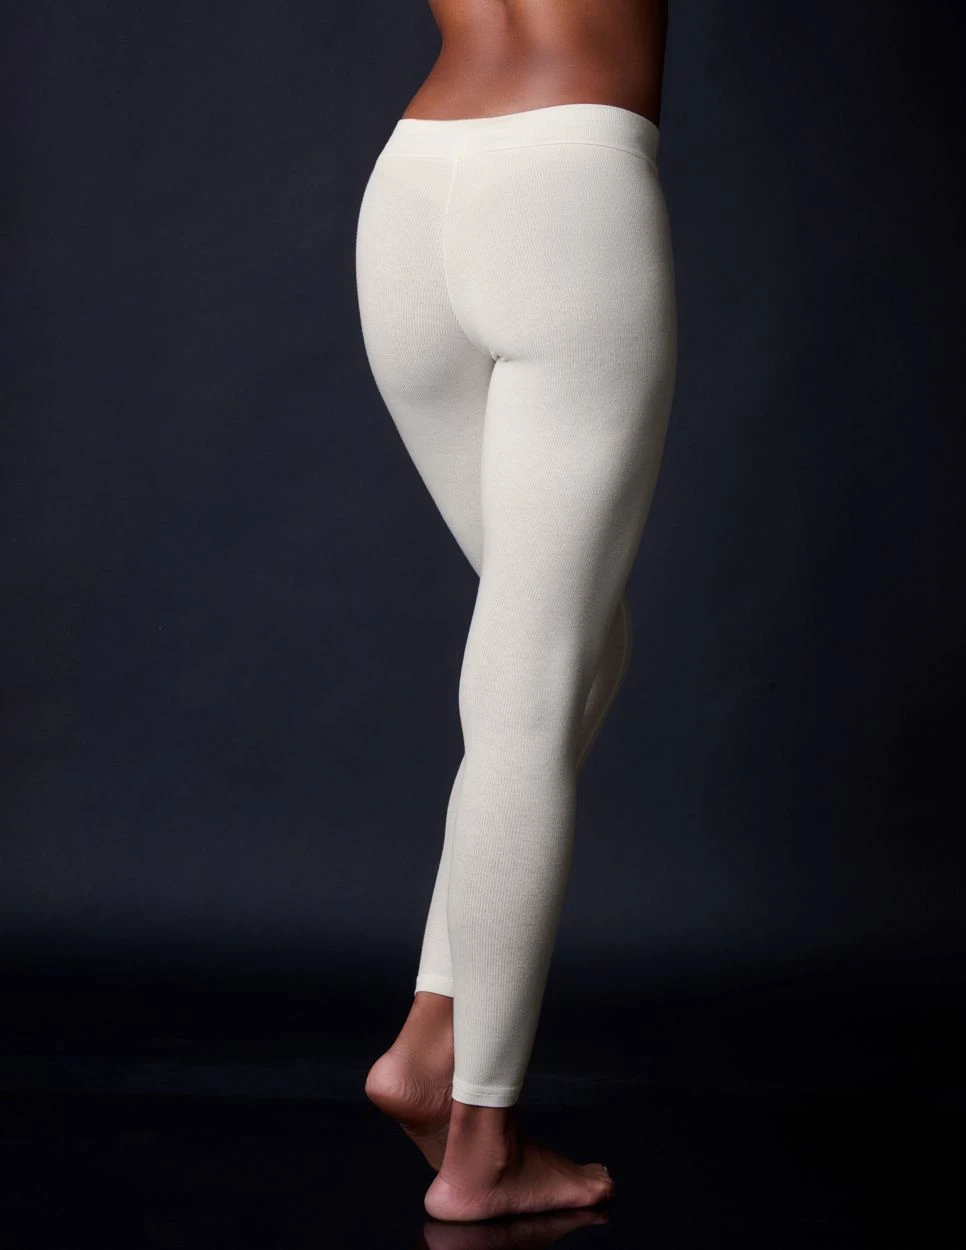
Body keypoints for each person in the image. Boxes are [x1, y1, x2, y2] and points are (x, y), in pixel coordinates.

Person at [354, 0, 676, 1223]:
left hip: (412, 190)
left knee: (576, 646)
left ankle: (432, 1039)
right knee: (534, 685)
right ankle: (480, 1142)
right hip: (566, 191)